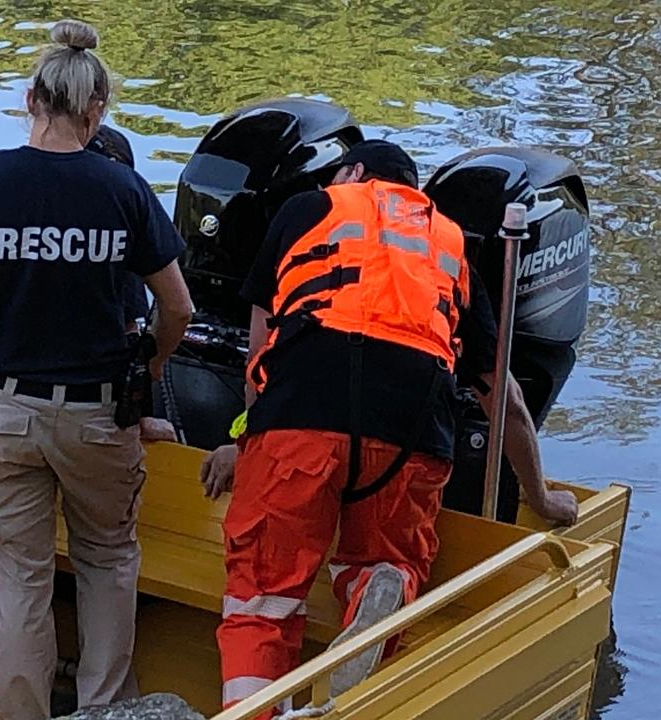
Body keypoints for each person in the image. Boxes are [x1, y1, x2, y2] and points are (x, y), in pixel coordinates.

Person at [199, 140, 579, 716]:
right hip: (414, 433)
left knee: (262, 595)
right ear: (415, 192)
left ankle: (259, 712)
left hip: (301, 418)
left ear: (352, 174)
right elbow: (503, 394)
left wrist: (243, 439)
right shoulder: (447, 242)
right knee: (389, 558)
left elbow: (260, 354)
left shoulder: (309, 209)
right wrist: (540, 496)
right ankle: (383, 587)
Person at [0, 18, 192, 720]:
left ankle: (17, 712)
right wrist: (148, 363)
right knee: (108, 562)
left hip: (3, 410)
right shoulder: (123, 191)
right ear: (97, 111)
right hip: (98, 412)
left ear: (30, 98)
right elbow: (177, 306)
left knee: (20, 579)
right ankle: (105, 709)